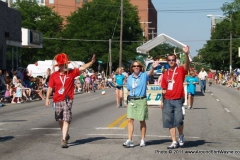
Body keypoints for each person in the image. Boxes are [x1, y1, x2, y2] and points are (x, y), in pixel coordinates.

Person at [45, 53, 95, 148]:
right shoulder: (54, 75)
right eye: (61, 64)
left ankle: (64, 140)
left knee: (66, 118)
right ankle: (65, 134)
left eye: (64, 64)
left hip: (68, 99)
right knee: (60, 119)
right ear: (58, 66)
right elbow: (50, 87)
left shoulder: (71, 73)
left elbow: (82, 68)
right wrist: (47, 98)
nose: (63, 66)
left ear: (66, 64)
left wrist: (91, 62)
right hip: (57, 99)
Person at [123, 60, 160, 148]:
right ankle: (129, 140)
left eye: (137, 66)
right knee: (130, 120)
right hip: (132, 100)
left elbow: (150, 73)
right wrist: (127, 100)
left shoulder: (143, 75)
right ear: (132, 68)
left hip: (141, 100)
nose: (136, 67)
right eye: (134, 66)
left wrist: (153, 68)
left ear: (140, 67)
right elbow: (128, 90)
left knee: (141, 120)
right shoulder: (130, 78)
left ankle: (142, 139)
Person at [160, 46, 190, 149]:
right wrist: (162, 101)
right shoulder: (165, 73)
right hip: (168, 100)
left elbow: (187, 65)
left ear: (176, 60)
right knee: (169, 122)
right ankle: (174, 141)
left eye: (173, 60)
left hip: (178, 100)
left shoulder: (180, 70)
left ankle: (181, 135)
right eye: (169, 60)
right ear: (167, 61)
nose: (171, 61)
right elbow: (163, 89)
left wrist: (186, 54)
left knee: (179, 120)